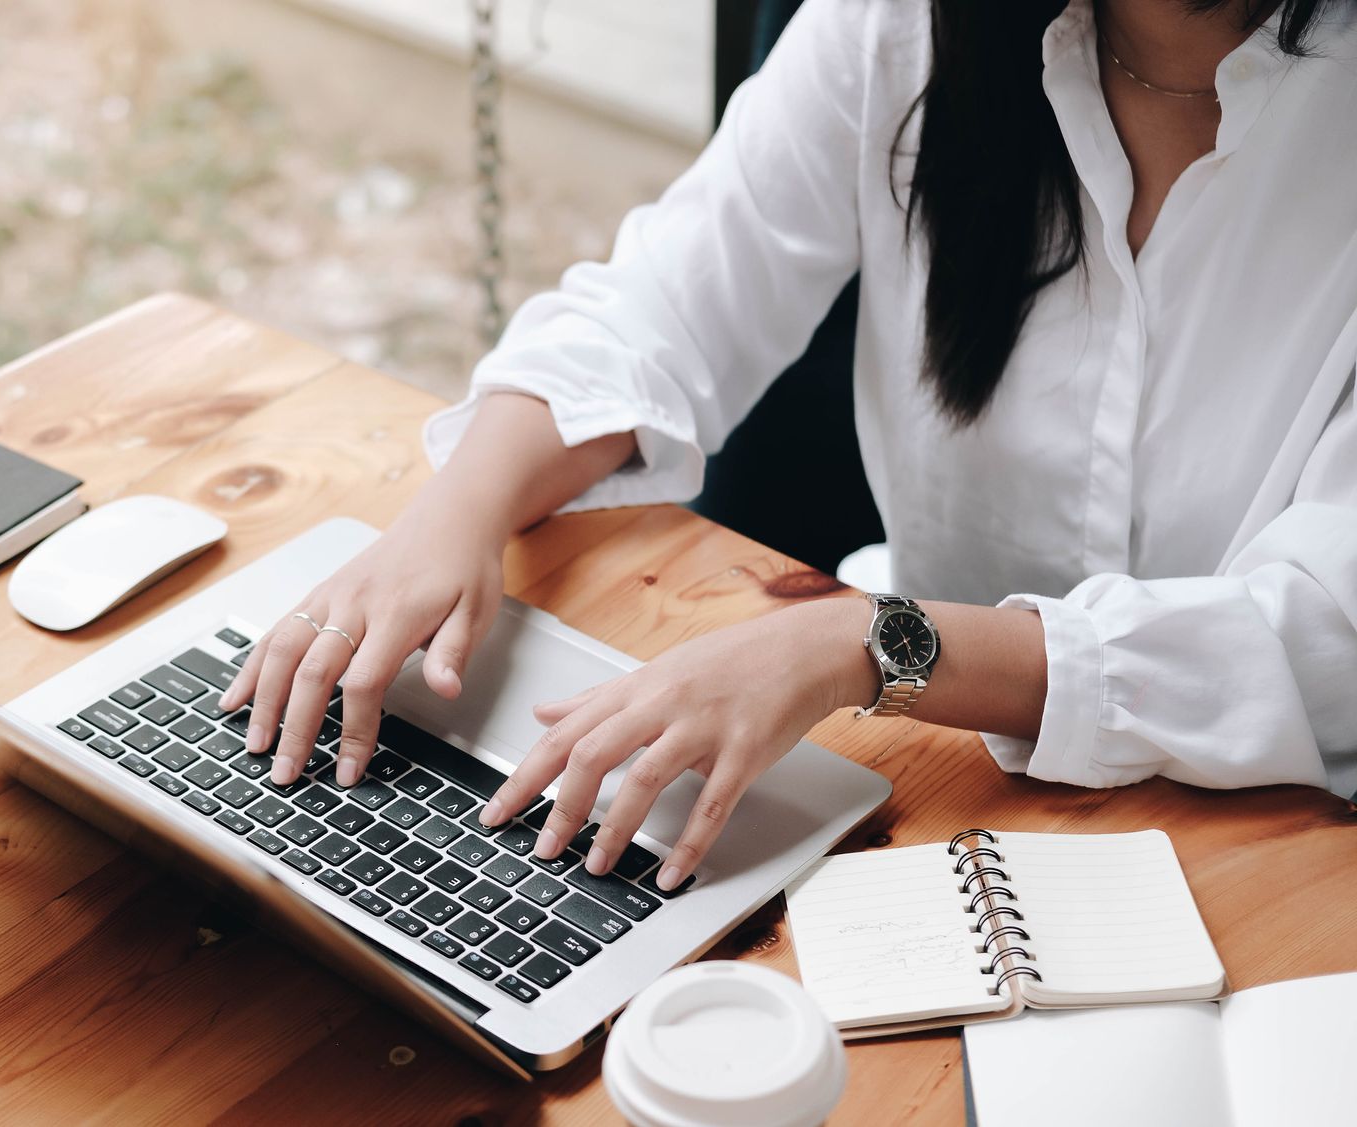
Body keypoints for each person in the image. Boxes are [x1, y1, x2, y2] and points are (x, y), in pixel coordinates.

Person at [220, 0, 1357, 893]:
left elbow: (1323, 639)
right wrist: (449, 517)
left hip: (1278, 832)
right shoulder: (908, 25)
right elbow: (658, 305)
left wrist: (869, 645)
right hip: (944, 789)